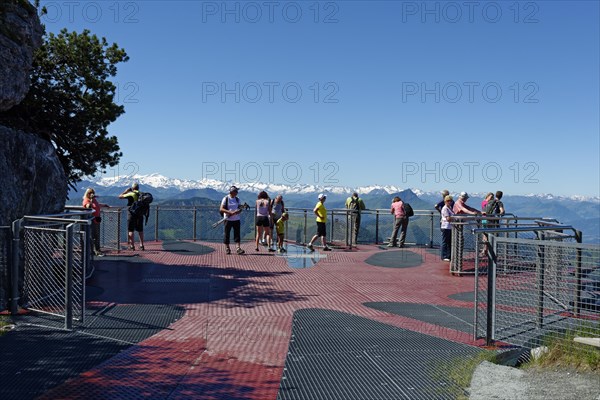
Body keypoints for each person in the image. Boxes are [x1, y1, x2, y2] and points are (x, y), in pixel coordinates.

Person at [82, 188, 109, 256]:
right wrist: (91, 199)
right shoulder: (86, 200)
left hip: (96, 219)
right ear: (87, 193)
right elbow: (88, 206)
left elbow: (97, 205)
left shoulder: (94, 200)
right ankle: (92, 251)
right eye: (90, 193)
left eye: (93, 192)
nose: (92, 194)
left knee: (96, 236)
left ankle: (97, 250)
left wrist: (104, 205)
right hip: (91, 220)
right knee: (92, 236)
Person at [119, 183, 145, 251]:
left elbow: (120, 196)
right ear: (138, 188)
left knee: (131, 230)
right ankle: (141, 245)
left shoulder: (131, 194)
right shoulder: (141, 194)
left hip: (131, 213)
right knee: (140, 230)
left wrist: (126, 191)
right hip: (140, 213)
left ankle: (132, 246)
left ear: (133, 188)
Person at [219, 186, 245, 255]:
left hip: (236, 219)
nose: (237, 193)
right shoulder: (226, 198)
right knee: (227, 234)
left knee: (237, 234)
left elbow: (239, 208)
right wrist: (229, 212)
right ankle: (227, 248)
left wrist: (239, 211)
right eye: (236, 191)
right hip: (228, 219)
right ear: (232, 192)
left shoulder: (237, 199)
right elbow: (221, 209)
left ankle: (238, 248)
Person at [440, 195, 455, 261]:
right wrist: (454, 218)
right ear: (445, 201)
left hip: (450, 227)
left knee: (449, 242)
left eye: (451, 201)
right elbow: (448, 218)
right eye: (448, 201)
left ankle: (449, 255)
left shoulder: (450, 208)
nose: (450, 202)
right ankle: (444, 256)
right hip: (445, 226)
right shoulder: (445, 208)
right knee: (445, 242)